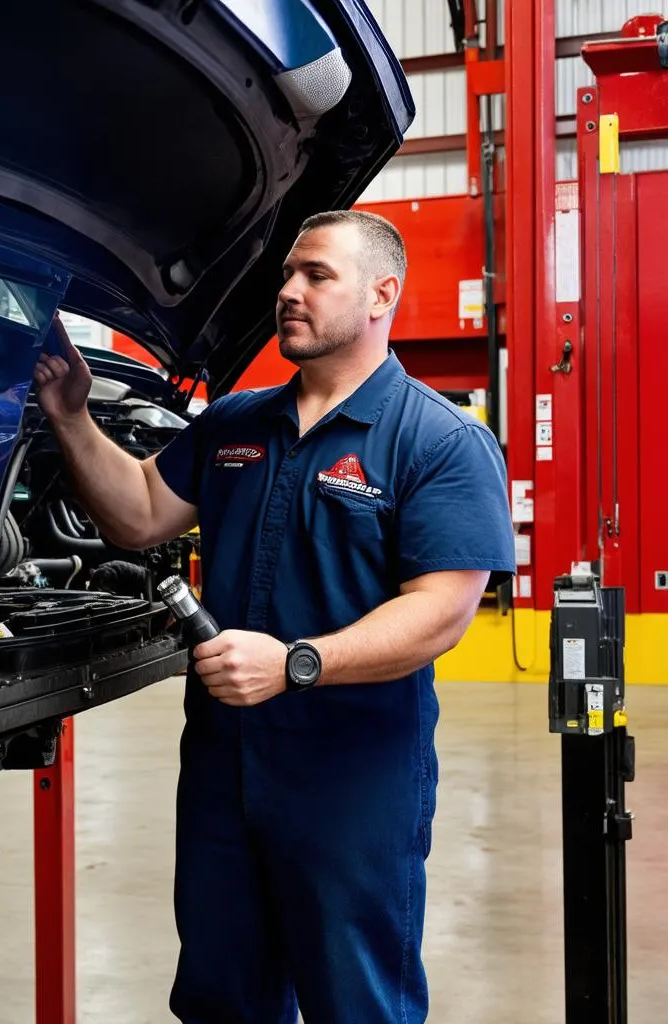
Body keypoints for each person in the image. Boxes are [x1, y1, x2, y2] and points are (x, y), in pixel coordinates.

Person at [32, 210, 516, 1024]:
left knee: (354, 1002)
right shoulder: (235, 425)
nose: (288, 292)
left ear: (380, 294)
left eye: (317, 276)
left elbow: (441, 610)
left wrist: (297, 662)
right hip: (225, 772)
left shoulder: (437, 440)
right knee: (224, 997)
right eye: (288, 274)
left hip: (352, 780)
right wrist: (73, 415)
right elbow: (142, 511)